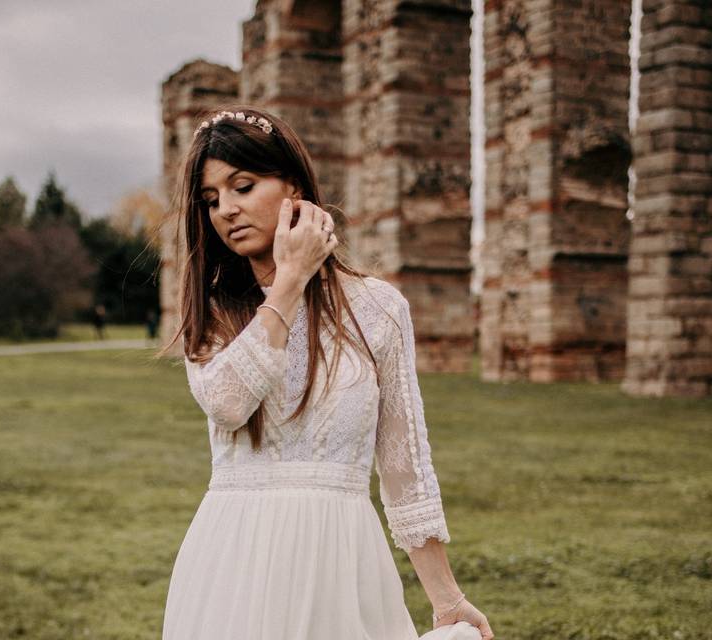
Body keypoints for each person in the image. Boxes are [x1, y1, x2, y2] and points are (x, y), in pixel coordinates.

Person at [159, 107, 493, 640]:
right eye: (211, 199)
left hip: (343, 558)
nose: (226, 210)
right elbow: (226, 402)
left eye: (243, 186)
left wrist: (447, 599)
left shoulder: (380, 309)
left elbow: (405, 468)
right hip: (236, 559)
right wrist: (289, 280)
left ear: (293, 184)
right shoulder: (213, 310)